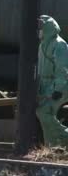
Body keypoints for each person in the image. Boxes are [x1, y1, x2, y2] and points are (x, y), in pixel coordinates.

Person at [36, 15, 68, 147]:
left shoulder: (59, 44)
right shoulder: (43, 44)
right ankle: (52, 146)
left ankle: (64, 137)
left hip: (57, 85)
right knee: (43, 113)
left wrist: (58, 89)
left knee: (44, 112)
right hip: (46, 85)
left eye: (40, 28)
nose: (39, 31)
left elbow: (63, 69)